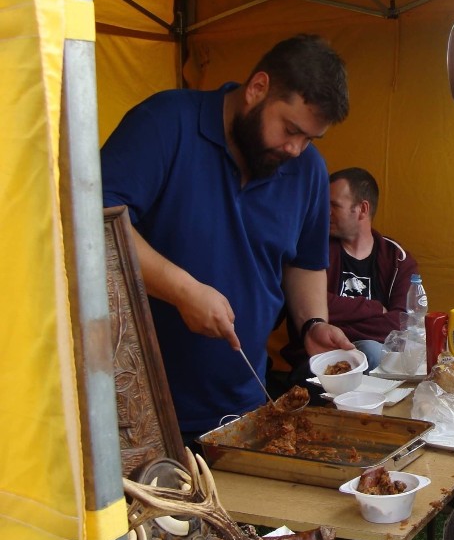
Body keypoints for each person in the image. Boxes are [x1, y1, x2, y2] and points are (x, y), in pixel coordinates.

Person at [100, 34, 354, 443]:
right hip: (138, 410)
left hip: (243, 406)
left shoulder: (308, 169)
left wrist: (312, 322)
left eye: (310, 138)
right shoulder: (164, 123)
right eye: (290, 129)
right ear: (257, 89)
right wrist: (182, 291)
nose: (295, 148)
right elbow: (97, 220)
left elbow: (304, 261)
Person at [326, 167, 418, 369]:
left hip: (377, 361)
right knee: (371, 351)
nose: (325, 211)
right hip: (320, 355)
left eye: (334, 205)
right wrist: (375, 309)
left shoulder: (398, 259)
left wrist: (337, 325)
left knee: (371, 351)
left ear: (362, 209)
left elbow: (402, 324)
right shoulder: (316, 250)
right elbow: (312, 306)